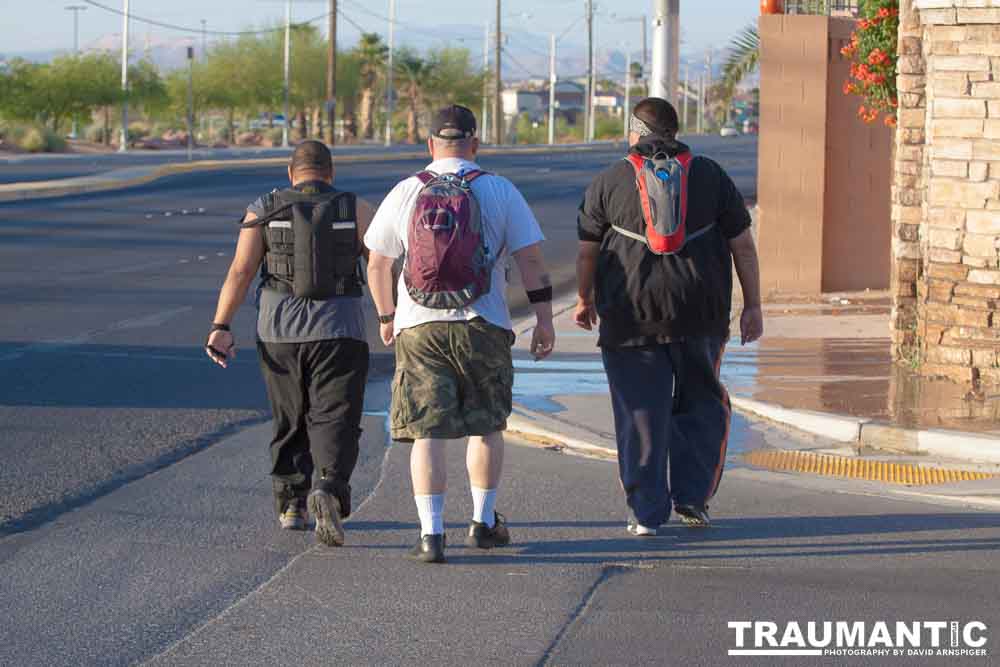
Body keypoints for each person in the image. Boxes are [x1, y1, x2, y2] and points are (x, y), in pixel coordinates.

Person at [365, 104, 555, 563]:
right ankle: (483, 523)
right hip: (483, 324)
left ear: (430, 144)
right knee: (486, 426)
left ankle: (431, 536)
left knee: (426, 433)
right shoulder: (500, 190)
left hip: (419, 326)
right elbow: (530, 261)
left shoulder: (407, 190)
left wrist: (387, 316)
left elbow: (378, 263)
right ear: (476, 143)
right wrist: (545, 319)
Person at [575, 97, 763, 535]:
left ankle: (645, 513)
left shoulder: (609, 180)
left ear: (634, 131)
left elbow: (586, 252)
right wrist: (753, 305)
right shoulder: (711, 175)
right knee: (701, 403)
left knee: (639, 410)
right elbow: (744, 248)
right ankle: (693, 500)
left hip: (629, 316)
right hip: (700, 312)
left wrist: (583, 300)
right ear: (676, 132)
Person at [206, 139, 375, 547]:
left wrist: (221, 325)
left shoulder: (263, 208)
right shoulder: (357, 208)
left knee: (289, 416)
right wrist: (395, 318)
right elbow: (381, 265)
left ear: (290, 172)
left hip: (278, 330)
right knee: (335, 416)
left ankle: (291, 504)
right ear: (331, 173)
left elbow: (241, 271)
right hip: (340, 330)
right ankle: (329, 488)